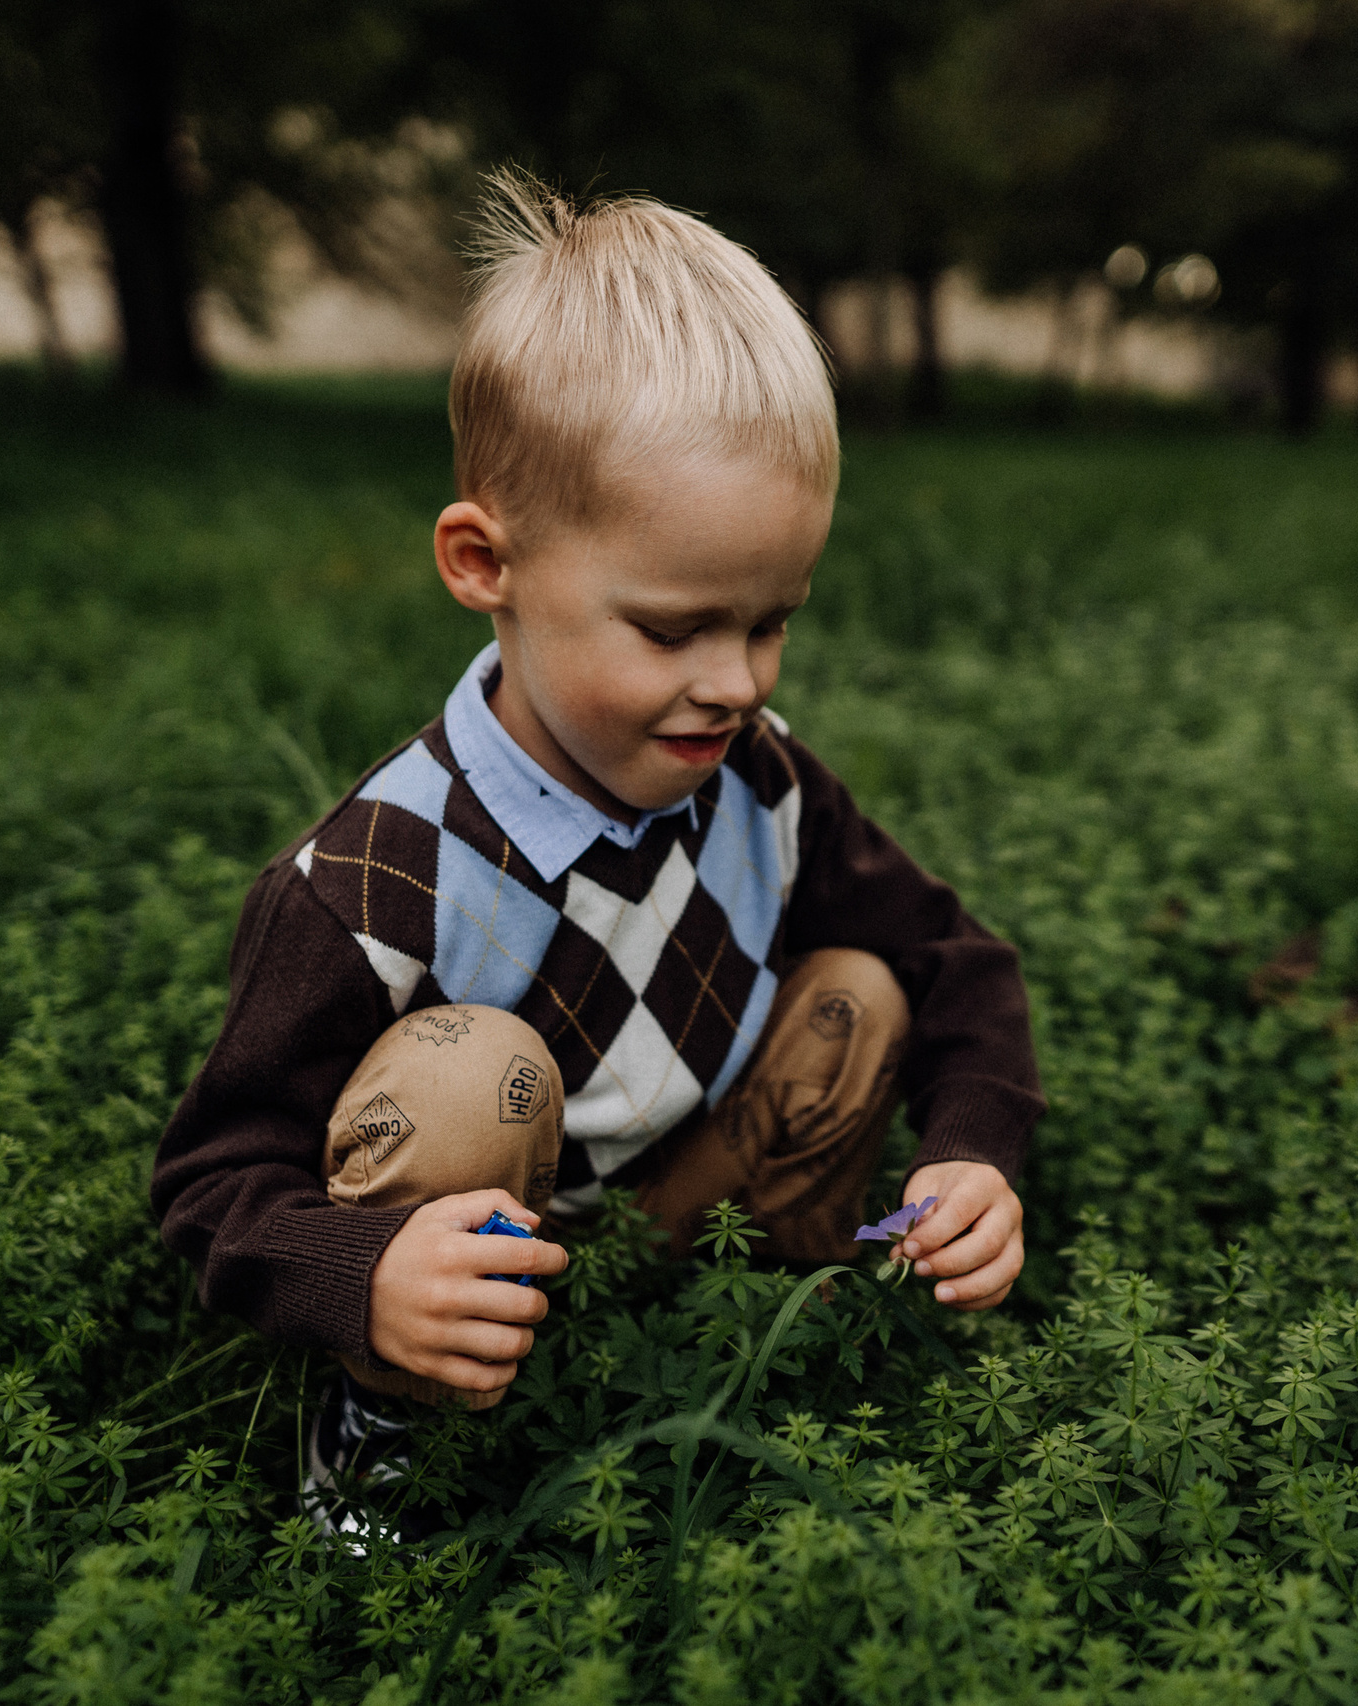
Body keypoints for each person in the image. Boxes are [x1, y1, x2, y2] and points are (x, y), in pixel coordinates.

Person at [149, 172, 1042, 1479]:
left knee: (861, 991)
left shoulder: (763, 782)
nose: (736, 681)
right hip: (473, 1262)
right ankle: (396, 1419)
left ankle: (763, 1325)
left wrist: (972, 1155)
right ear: (485, 565)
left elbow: (958, 961)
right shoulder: (375, 879)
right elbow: (212, 1180)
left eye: (771, 620)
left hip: (684, 1196)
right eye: (675, 629)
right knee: (478, 1072)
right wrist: (366, 1274)